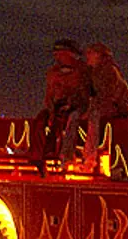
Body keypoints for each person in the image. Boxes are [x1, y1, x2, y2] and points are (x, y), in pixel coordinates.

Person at [76, 43, 128, 171]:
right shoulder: (93, 72)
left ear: (99, 55)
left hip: (118, 107)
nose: (87, 56)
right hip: (106, 105)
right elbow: (90, 95)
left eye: (90, 53)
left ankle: (90, 158)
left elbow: (109, 96)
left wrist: (91, 110)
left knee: (94, 116)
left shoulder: (109, 71)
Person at [35, 39, 92, 172]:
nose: (57, 57)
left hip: (78, 107)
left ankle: (66, 157)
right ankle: (38, 156)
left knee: (73, 118)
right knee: (40, 120)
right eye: (56, 54)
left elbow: (86, 93)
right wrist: (50, 110)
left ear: (71, 54)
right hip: (57, 107)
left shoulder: (83, 71)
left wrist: (72, 103)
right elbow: (49, 94)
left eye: (60, 54)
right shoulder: (53, 72)